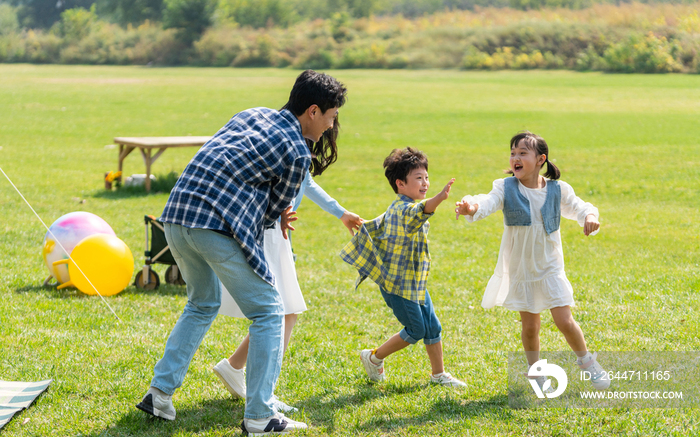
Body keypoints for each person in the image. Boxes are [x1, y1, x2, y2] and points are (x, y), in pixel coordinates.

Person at [136, 70, 348, 437]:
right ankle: (260, 417)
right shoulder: (298, 151)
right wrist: (276, 217)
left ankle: (159, 393)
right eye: (330, 118)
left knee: (201, 305)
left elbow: (225, 161)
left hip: (175, 217)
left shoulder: (253, 113)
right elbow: (271, 216)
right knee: (269, 311)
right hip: (212, 227)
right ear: (313, 111)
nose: (331, 126)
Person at [214, 130, 364, 413]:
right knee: (283, 312)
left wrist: (341, 213)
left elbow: (307, 184)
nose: (329, 128)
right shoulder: (290, 145)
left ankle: (235, 366)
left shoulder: (295, 146)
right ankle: (262, 390)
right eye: (330, 118)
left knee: (280, 312)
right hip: (267, 236)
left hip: (276, 237)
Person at [455, 131, 610, 391]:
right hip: (522, 269)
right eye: (513, 153)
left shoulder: (558, 189)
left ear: (541, 159)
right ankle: (535, 371)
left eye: (522, 153)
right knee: (530, 326)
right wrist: (471, 207)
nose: (515, 157)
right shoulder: (505, 187)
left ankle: (587, 362)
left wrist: (590, 216)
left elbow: (580, 206)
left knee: (564, 320)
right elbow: (488, 202)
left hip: (550, 266)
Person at [340, 147, 466, 387]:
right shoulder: (405, 209)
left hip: (414, 282)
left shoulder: (396, 207)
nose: (425, 182)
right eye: (418, 178)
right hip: (398, 285)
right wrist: (439, 197)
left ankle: (438, 375)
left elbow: (379, 225)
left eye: (426, 177)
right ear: (400, 183)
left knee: (432, 326)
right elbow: (422, 210)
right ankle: (374, 357)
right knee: (416, 329)